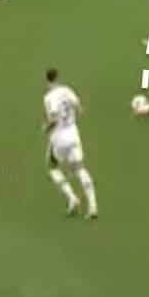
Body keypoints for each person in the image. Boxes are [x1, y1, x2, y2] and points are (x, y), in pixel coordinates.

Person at [42, 68, 98, 219]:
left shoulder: (49, 97)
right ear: (58, 78)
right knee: (80, 168)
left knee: (52, 167)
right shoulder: (67, 90)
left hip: (59, 137)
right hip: (73, 134)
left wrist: (46, 127)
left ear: (47, 80)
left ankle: (72, 198)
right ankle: (93, 206)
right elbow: (80, 109)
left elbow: (54, 118)